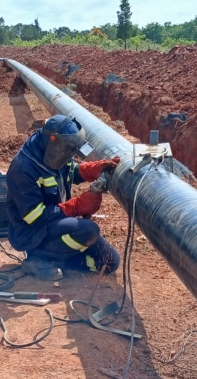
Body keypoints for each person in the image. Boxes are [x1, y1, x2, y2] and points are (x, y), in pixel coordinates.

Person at [6, 114, 121, 281]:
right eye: (67, 152)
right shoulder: (23, 168)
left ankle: (62, 262)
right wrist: (76, 206)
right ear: (52, 140)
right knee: (88, 230)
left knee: (109, 262)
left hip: (56, 224)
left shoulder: (52, 153)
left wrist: (88, 170)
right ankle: (37, 258)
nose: (68, 156)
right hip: (33, 233)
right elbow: (34, 217)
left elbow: (67, 170)